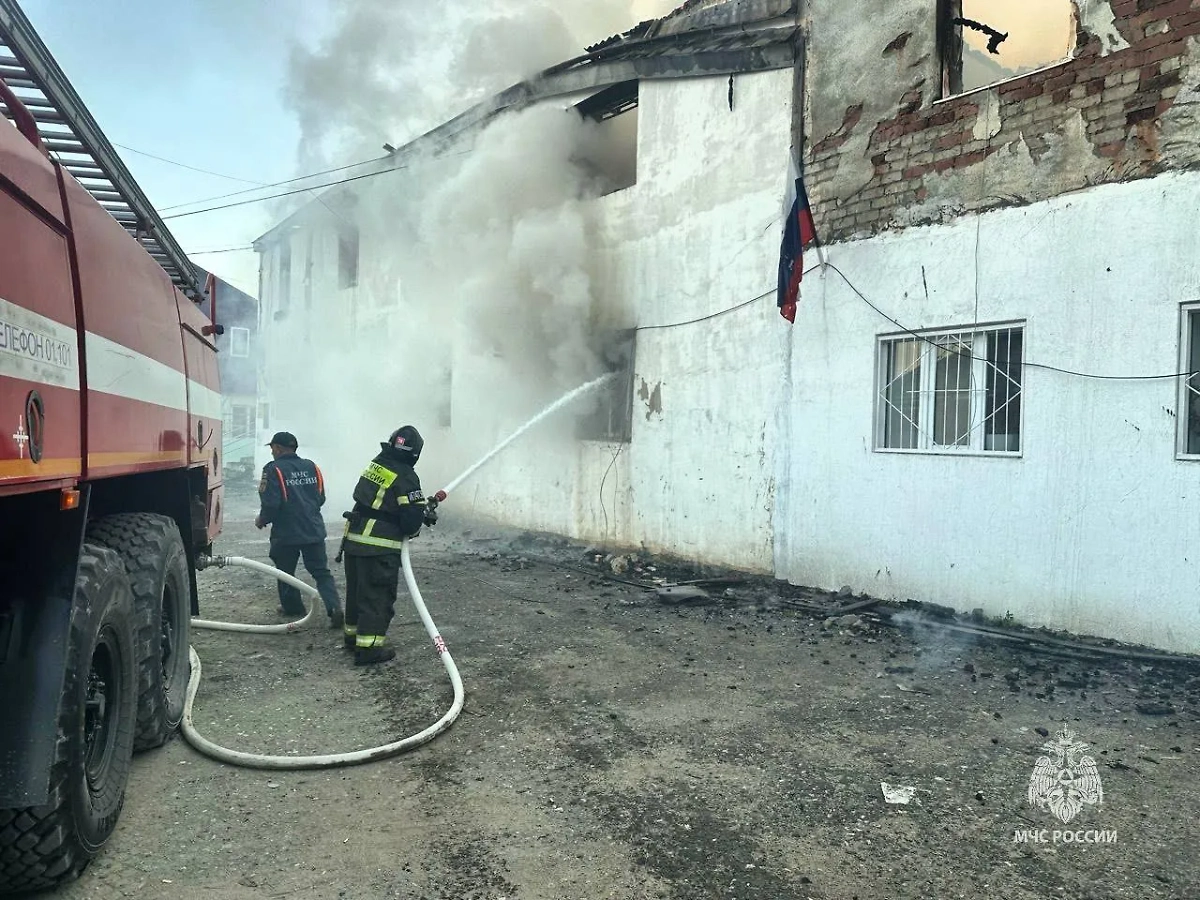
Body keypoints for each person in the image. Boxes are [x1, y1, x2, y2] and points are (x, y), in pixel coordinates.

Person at [339, 425, 438, 666]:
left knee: (357, 594)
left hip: (354, 541)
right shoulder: (405, 476)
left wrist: (416, 509)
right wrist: (421, 514)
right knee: (376, 598)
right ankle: (369, 650)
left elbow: (383, 502)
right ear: (415, 454)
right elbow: (409, 524)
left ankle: (353, 639)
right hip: (378, 547)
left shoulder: (377, 464)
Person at [255, 431, 344, 628]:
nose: (271, 452)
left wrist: (262, 520)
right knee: (321, 572)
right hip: (313, 529)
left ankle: (293, 608)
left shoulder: (273, 469)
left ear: (277, 448)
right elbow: (320, 498)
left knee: (285, 571)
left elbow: (271, 504)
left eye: (272, 448)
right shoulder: (311, 466)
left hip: (286, 532)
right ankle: (334, 608)